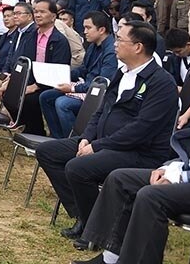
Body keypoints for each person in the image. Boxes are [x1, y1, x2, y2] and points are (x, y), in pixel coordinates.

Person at [74, 37, 190, 264]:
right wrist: (171, 167)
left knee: (150, 196)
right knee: (121, 178)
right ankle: (110, 255)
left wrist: (181, 175)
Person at [36, 20, 177, 246]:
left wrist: (97, 147)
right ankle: (86, 215)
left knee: (78, 167)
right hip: (104, 142)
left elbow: (141, 129)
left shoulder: (161, 82)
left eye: (120, 39)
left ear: (138, 47)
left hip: (139, 152)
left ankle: (97, 229)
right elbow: (101, 110)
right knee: (48, 151)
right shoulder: (123, 73)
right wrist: (86, 138)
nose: (115, 44)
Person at [39, 11, 117, 139]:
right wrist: (61, 74)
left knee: (63, 104)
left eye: (88, 27)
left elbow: (103, 83)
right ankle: (57, 137)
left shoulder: (111, 51)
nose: (84, 31)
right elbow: (83, 70)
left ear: (102, 30)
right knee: (46, 96)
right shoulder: (93, 46)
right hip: (86, 86)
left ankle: (73, 140)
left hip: (98, 94)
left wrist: (73, 88)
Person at [0, 0, 71, 136]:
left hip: (50, 84)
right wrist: (11, 80)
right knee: (8, 93)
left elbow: (58, 71)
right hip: (31, 79)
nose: (38, 15)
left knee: (29, 99)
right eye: (36, 12)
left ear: (53, 16)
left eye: (42, 12)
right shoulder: (31, 36)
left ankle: (36, 133)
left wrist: (36, 86)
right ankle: (26, 125)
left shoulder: (59, 40)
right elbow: (23, 61)